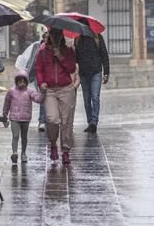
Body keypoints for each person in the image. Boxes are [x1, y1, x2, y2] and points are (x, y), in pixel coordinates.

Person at [34, 27, 79, 166]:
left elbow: (72, 68)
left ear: (62, 36)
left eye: (58, 35)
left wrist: (60, 56)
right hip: (50, 90)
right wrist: (41, 83)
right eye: (53, 34)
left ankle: (65, 151)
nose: (55, 37)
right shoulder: (42, 52)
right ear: (49, 36)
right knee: (52, 119)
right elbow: (38, 69)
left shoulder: (69, 51)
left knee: (66, 121)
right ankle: (53, 143)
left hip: (66, 89)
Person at [0, 71, 43, 164]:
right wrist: (4, 115)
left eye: (24, 81)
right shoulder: (11, 91)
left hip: (26, 118)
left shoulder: (30, 91)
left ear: (26, 82)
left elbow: (38, 99)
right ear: (16, 82)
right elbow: (6, 104)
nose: (22, 84)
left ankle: (23, 153)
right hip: (14, 118)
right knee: (15, 135)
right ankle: (14, 153)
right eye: (19, 82)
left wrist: (42, 92)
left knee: (24, 137)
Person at [74, 27, 110, 133]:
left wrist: (106, 72)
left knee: (95, 97)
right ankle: (90, 122)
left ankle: (94, 121)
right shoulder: (78, 39)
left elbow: (104, 55)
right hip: (83, 74)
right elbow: (75, 57)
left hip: (96, 72)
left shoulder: (97, 37)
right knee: (86, 100)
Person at [15, 33, 48, 132]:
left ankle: (48, 120)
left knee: (49, 97)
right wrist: (27, 73)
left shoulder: (54, 47)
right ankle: (42, 121)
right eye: (46, 38)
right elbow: (32, 60)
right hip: (39, 74)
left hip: (50, 75)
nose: (47, 39)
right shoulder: (37, 46)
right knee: (43, 96)